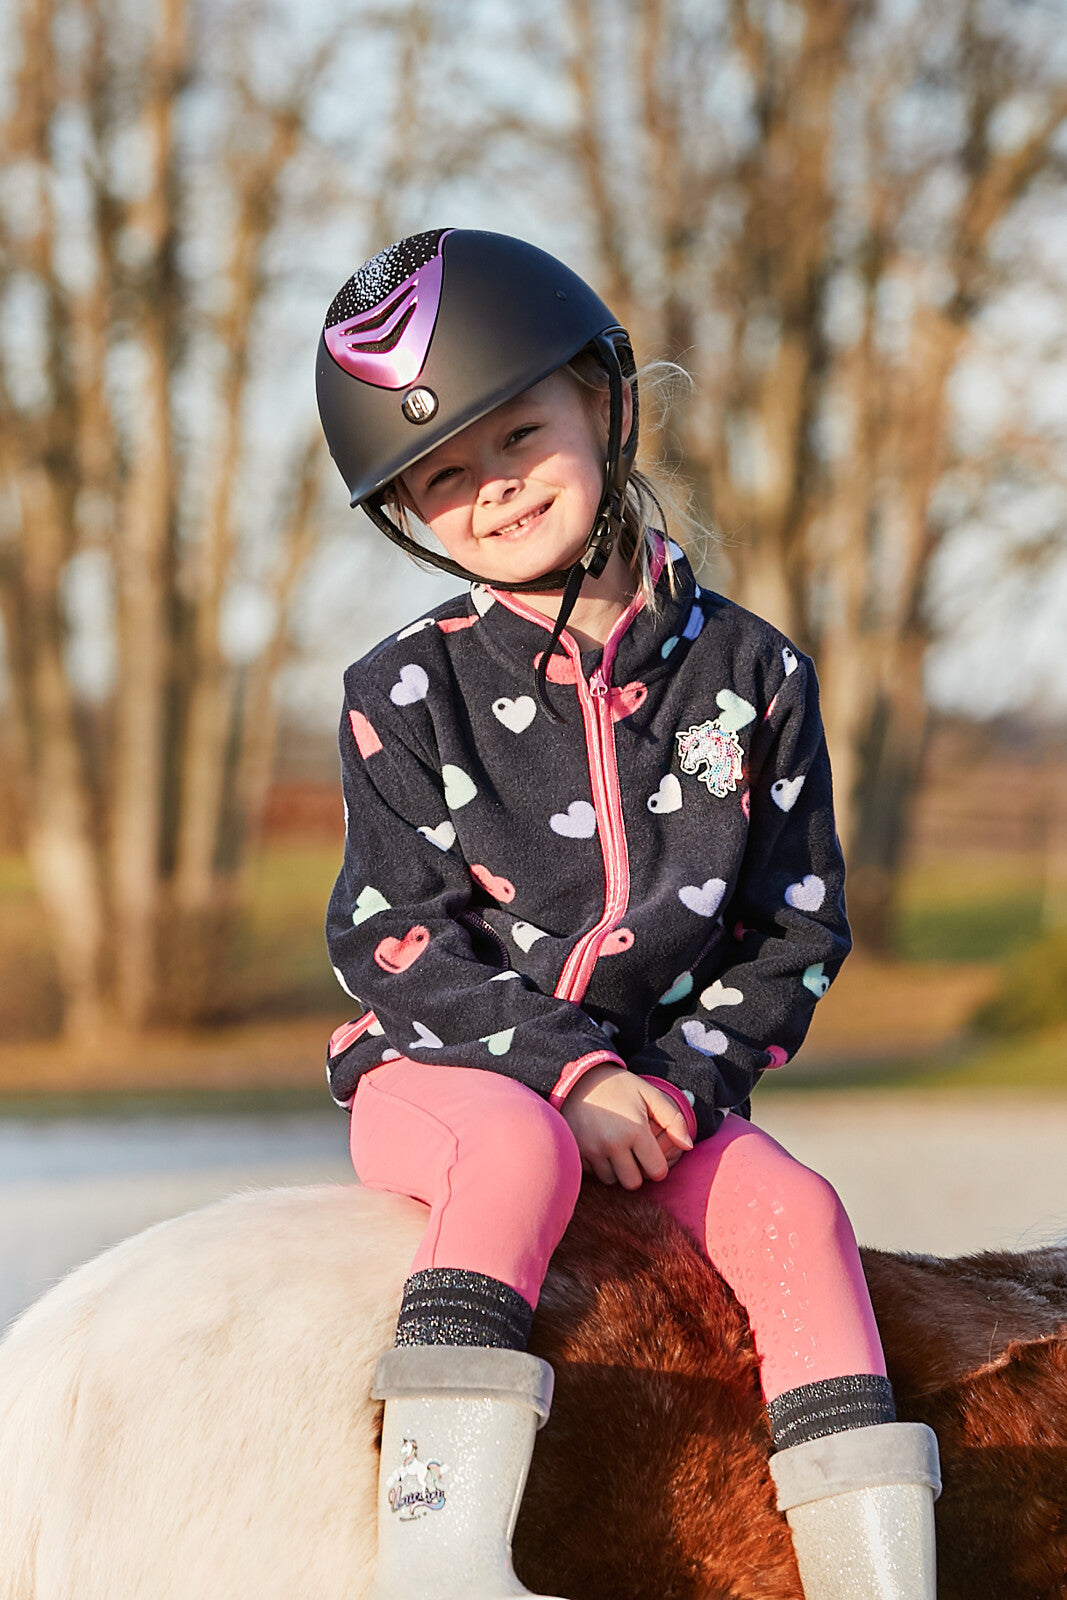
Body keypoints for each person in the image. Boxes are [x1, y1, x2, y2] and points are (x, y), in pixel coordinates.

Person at [315, 228, 940, 1600]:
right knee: (513, 1155)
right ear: (410, 513)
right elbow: (395, 934)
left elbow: (796, 925)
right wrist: (567, 1073)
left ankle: (873, 1578)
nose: (490, 492)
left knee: (800, 1218)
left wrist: (674, 1091)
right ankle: (439, 1557)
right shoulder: (402, 694)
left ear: (602, 401)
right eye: (442, 477)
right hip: (449, 1071)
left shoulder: (755, 672)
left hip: (666, 1093)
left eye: (517, 437)